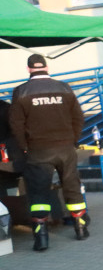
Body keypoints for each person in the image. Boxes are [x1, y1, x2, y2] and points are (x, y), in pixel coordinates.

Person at [8, 54, 88, 250]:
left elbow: (16, 125)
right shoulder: (64, 88)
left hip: (38, 151)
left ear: (28, 69)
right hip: (65, 147)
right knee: (71, 187)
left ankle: (41, 238)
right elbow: (78, 118)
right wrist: (73, 141)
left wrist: (25, 147)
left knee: (38, 193)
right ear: (46, 66)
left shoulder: (21, 92)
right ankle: (80, 227)